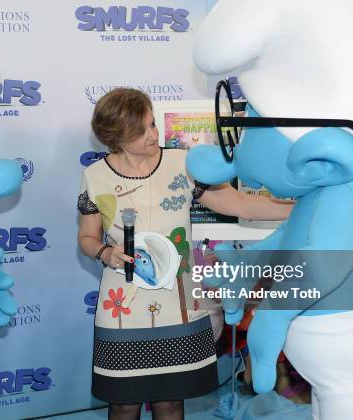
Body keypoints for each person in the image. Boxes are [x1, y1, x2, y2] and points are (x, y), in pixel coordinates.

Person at [77, 88, 292, 420]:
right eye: (144, 129)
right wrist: (105, 252)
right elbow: (87, 237)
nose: (155, 134)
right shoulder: (95, 177)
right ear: (118, 137)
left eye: (152, 124)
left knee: (170, 400)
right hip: (122, 303)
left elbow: (239, 203)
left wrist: (298, 207)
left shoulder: (183, 164)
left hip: (176, 302)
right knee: (122, 403)